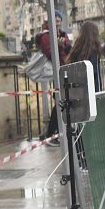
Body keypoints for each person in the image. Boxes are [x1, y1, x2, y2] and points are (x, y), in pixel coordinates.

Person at [37, 12, 72, 146]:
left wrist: (64, 45)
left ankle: (55, 133)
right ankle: (51, 135)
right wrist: (59, 45)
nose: (58, 21)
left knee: (62, 102)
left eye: (59, 20)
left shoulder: (62, 34)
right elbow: (50, 53)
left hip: (65, 71)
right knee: (60, 102)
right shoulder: (46, 35)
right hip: (55, 73)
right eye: (55, 20)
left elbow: (69, 48)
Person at [67, 22, 103, 92]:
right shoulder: (94, 51)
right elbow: (95, 74)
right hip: (92, 92)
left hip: (78, 91)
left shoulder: (76, 50)